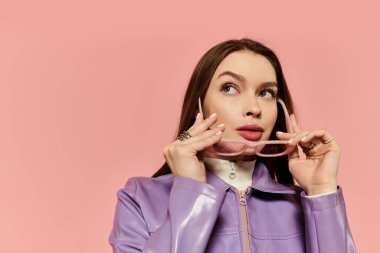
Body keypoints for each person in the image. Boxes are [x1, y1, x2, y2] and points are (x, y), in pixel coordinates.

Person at [108, 38, 357, 252]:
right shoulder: (140, 199)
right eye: (230, 88)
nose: (254, 108)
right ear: (199, 105)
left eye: (266, 93)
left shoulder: (302, 204)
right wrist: (191, 191)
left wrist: (322, 192)